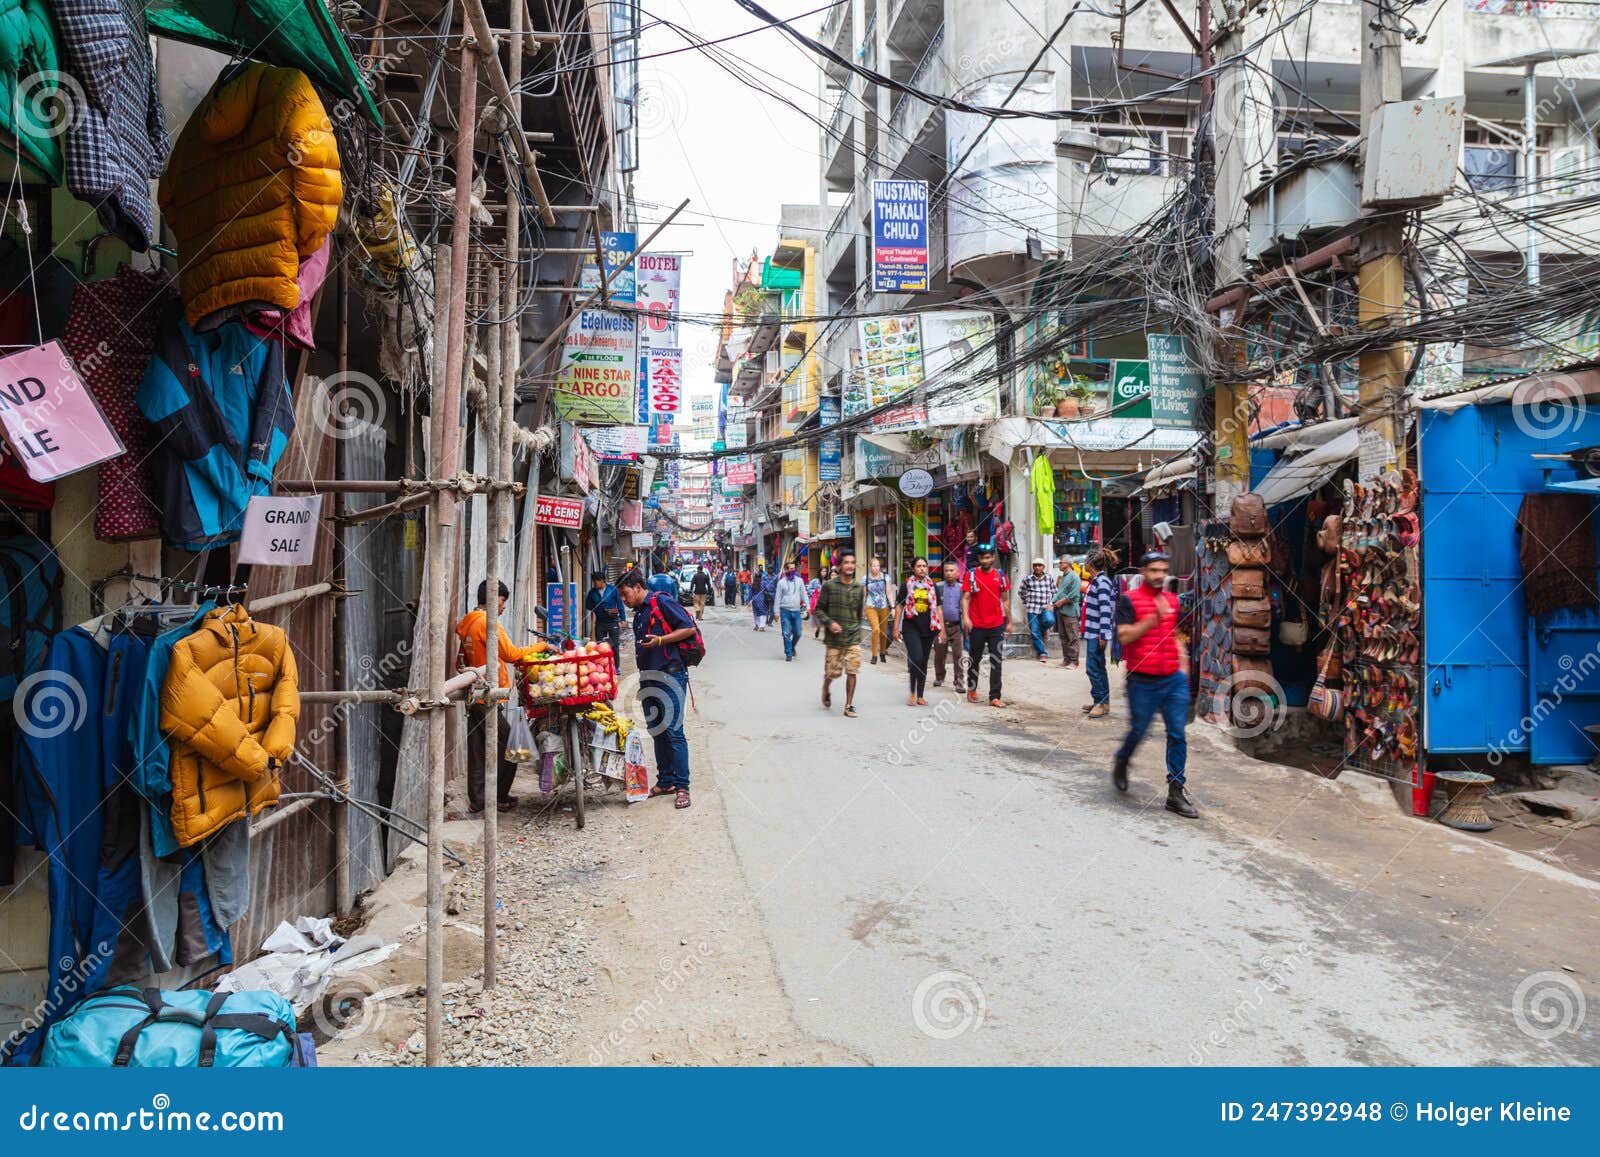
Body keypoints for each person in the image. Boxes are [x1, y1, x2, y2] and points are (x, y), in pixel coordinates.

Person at [1113, 551, 1197, 819]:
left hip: (1173, 679)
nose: (1160, 575)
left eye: (1163, 570)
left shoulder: (1172, 600)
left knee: (1177, 734)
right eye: (1154, 570)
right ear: (1143, 571)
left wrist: (1182, 661)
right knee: (1139, 730)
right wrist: (1151, 620)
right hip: (1142, 679)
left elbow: (1171, 634)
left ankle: (1176, 791)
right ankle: (1123, 760)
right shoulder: (1128, 600)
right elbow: (1124, 637)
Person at [618, 570, 697, 810]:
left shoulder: (662, 601)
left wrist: (661, 641)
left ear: (639, 587)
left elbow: (689, 628)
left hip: (670, 675)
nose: (624, 599)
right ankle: (666, 781)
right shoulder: (640, 612)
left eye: (625, 594)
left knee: (673, 731)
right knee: (657, 730)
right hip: (649, 678)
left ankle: (682, 787)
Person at [454, 580, 531, 814]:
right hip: (486, 696)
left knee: (477, 750)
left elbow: (460, 660)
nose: (503, 606)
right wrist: (541, 647)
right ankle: (498, 797)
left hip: (474, 695)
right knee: (512, 746)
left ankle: (478, 801)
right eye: (502, 600)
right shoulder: (488, 624)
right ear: (492, 598)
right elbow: (511, 654)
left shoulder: (466, 624)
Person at [812, 549, 865, 718]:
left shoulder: (859, 588)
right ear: (840, 565)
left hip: (853, 636)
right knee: (832, 672)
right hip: (834, 639)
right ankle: (826, 687)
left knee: (852, 670)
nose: (850, 566)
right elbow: (818, 610)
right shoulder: (829, 586)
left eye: (852, 563)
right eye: (846, 563)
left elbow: (858, 613)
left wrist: (856, 628)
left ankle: (849, 705)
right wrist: (830, 623)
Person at [961, 545, 1009, 707]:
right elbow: (966, 598)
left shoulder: (1000, 576)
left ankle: (995, 696)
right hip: (977, 624)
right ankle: (971, 688)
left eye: (988, 557)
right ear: (979, 559)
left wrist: (1009, 621)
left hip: (996, 624)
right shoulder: (971, 575)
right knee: (975, 658)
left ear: (993, 558)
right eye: (983, 558)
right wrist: (966, 618)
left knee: (997, 660)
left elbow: (1005, 599)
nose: (986, 560)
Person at [895, 557, 940, 706]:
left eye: (924, 566)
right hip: (910, 627)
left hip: (928, 628)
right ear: (913, 569)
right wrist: (896, 628)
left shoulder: (933, 586)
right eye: (919, 566)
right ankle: (912, 693)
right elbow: (900, 607)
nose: (922, 568)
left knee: (924, 660)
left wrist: (942, 629)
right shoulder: (906, 586)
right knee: (917, 657)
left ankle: (920, 695)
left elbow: (938, 607)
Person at [1082, 549, 1119, 718]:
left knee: (1092, 667)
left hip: (1096, 633)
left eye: (1085, 561)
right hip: (1093, 631)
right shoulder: (1096, 581)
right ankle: (1103, 702)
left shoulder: (1101, 583)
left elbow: (1106, 611)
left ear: (1090, 564)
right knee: (1098, 667)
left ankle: (1099, 701)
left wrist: (1104, 634)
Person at [932, 559, 966, 688]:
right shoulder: (938, 586)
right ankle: (939, 677)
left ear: (957, 573)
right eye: (946, 570)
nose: (949, 573)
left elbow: (965, 606)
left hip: (956, 626)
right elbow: (934, 607)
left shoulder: (962, 588)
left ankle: (959, 680)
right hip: (940, 626)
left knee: (958, 654)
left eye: (952, 570)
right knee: (940, 654)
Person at [1019, 557, 1057, 663]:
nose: (1037, 567)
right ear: (1033, 567)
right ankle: (1042, 653)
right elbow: (1021, 592)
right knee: (1034, 631)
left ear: (1043, 567)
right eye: (1035, 565)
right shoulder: (1028, 579)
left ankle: (1044, 629)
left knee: (1050, 621)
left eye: (1039, 565)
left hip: (1046, 607)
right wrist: (1026, 601)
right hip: (1032, 608)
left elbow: (1055, 592)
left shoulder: (1049, 578)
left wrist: (1051, 603)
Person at [774, 562, 810, 661]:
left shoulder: (800, 581)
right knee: (786, 633)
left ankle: (792, 646)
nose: (792, 570)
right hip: (785, 611)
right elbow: (777, 598)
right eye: (790, 568)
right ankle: (788, 653)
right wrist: (776, 612)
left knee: (798, 633)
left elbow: (804, 594)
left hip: (796, 611)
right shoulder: (781, 582)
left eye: (793, 568)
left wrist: (808, 606)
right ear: (785, 570)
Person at [584, 572, 624, 656]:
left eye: (596, 582)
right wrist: (598, 609)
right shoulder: (592, 592)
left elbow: (620, 604)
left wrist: (622, 618)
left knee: (615, 645)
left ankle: (616, 667)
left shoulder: (612, 589)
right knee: (600, 646)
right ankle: (604, 667)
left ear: (602, 581)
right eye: (593, 582)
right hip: (600, 623)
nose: (594, 584)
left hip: (613, 621)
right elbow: (588, 606)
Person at [1053, 556, 1082, 668]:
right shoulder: (1063, 577)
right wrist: (1051, 603)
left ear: (1067, 564)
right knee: (1063, 636)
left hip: (1071, 612)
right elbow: (1059, 593)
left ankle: (1074, 661)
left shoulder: (1074, 577)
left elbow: (1075, 595)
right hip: (1061, 611)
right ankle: (1067, 659)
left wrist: (1062, 601)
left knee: (1072, 637)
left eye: (1060, 562)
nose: (1059, 564)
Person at [863, 558, 893, 664]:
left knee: (883, 633)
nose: (876, 568)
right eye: (874, 566)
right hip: (870, 606)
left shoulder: (885, 577)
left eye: (878, 566)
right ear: (870, 567)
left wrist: (892, 607)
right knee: (876, 630)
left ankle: (883, 652)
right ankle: (874, 655)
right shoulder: (866, 579)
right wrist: (862, 609)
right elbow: (864, 595)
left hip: (884, 606)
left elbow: (889, 592)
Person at [809, 567, 826, 637]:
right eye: (823, 571)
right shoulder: (815, 581)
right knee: (816, 616)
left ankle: (824, 632)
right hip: (816, 601)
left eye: (825, 571)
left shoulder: (827, 581)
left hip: (824, 602)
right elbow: (809, 588)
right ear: (820, 572)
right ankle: (818, 627)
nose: (824, 573)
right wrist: (816, 591)